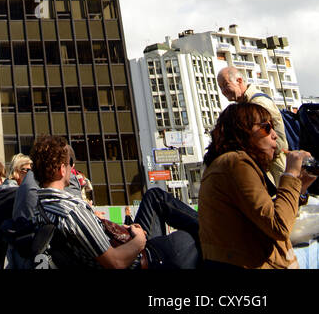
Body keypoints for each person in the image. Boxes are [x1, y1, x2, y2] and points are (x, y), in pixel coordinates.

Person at [19, 136, 200, 270]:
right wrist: (139, 240)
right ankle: (213, 230)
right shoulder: (70, 211)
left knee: (154, 197)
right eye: (69, 164)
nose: (71, 168)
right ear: (61, 169)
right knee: (193, 238)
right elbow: (116, 262)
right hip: (144, 258)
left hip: (124, 244)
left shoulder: (41, 207)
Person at [198, 98, 316, 270]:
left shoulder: (229, 164)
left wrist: (300, 187)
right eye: (266, 128)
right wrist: (290, 174)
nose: (274, 135)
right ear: (242, 132)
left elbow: (264, 215)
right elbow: (279, 226)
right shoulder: (236, 163)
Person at [217, 68, 288, 184]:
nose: (223, 91)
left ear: (239, 81)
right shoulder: (244, 105)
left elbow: (280, 142)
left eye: (225, 85)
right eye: (220, 87)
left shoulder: (259, 103)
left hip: (274, 169)